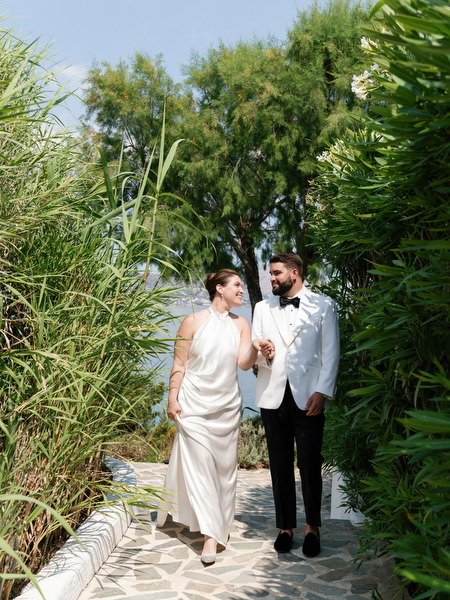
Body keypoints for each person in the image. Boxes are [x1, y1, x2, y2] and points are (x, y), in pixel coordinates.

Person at [157, 269, 274, 564]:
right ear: (219, 289)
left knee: (223, 472)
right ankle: (211, 536)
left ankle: (209, 521)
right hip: (194, 406)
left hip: (226, 408)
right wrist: (172, 399)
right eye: (237, 285)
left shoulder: (241, 323)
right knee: (200, 468)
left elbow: (244, 364)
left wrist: (256, 348)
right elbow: (179, 363)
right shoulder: (192, 320)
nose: (242, 290)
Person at [252, 252, 339, 557]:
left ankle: (312, 528)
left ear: (294, 273)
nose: (271, 279)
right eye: (270, 274)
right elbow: (257, 354)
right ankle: (285, 528)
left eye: (276, 273)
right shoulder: (262, 309)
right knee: (279, 465)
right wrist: (265, 353)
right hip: (272, 397)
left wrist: (322, 392)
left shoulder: (323, 305)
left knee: (310, 464)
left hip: (308, 398)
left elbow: (331, 353)